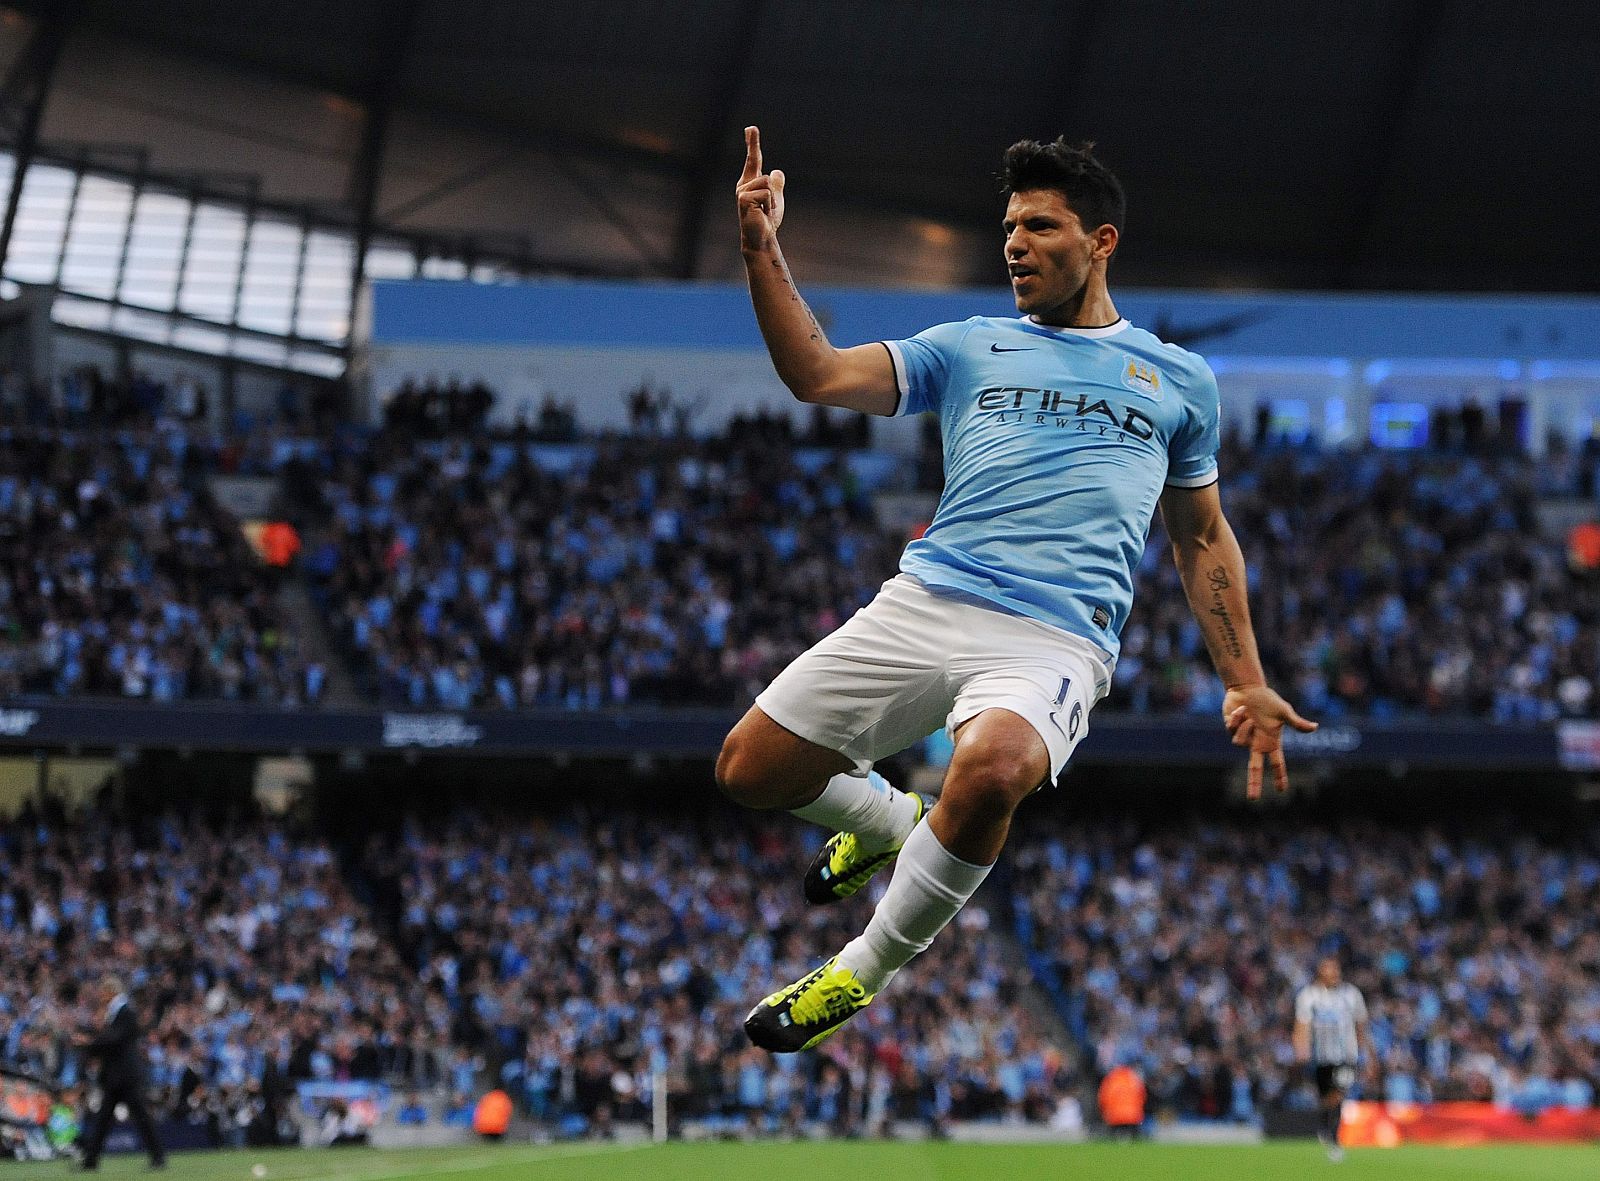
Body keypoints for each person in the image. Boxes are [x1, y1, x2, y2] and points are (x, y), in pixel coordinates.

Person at [717, 126, 1316, 1053]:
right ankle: (884, 818)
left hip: (1054, 639)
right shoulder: (968, 346)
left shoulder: (1179, 380)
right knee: (749, 770)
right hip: (929, 600)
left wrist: (1243, 677)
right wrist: (762, 250)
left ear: (1100, 241)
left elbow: (1200, 535)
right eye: (1009, 228)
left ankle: (858, 970)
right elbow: (819, 373)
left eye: (1040, 226)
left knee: (992, 768)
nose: (1015, 245)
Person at [74, 975, 166, 1170]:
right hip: (117, 1076)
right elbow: (111, 1040)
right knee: (105, 1120)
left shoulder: (125, 1012)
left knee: (137, 1118)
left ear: (111, 991)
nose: (100, 995)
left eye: (103, 991)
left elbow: (114, 1039)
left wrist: (89, 1042)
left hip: (125, 1076)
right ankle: (91, 1160)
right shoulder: (117, 1012)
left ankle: (158, 1158)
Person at [1294, 956, 1374, 1162]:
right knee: (1325, 1096)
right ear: (1321, 973)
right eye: (1329, 970)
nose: (1334, 974)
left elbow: (1361, 1024)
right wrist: (1301, 1049)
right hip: (1321, 1056)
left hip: (1346, 1054)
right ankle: (1324, 1122)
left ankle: (1334, 1137)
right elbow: (1301, 1025)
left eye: (1336, 970)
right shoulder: (1309, 996)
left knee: (1339, 1092)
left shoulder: (1351, 994)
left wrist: (1367, 1052)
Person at [1097, 1062, 1146, 1139]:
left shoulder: (1111, 1079)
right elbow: (1142, 1096)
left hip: (1114, 1115)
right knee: (1134, 1140)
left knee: (1113, 1140)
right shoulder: (1134, 1079)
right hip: (1132, 1115)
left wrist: (1105, 1111)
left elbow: (1103, 1097)